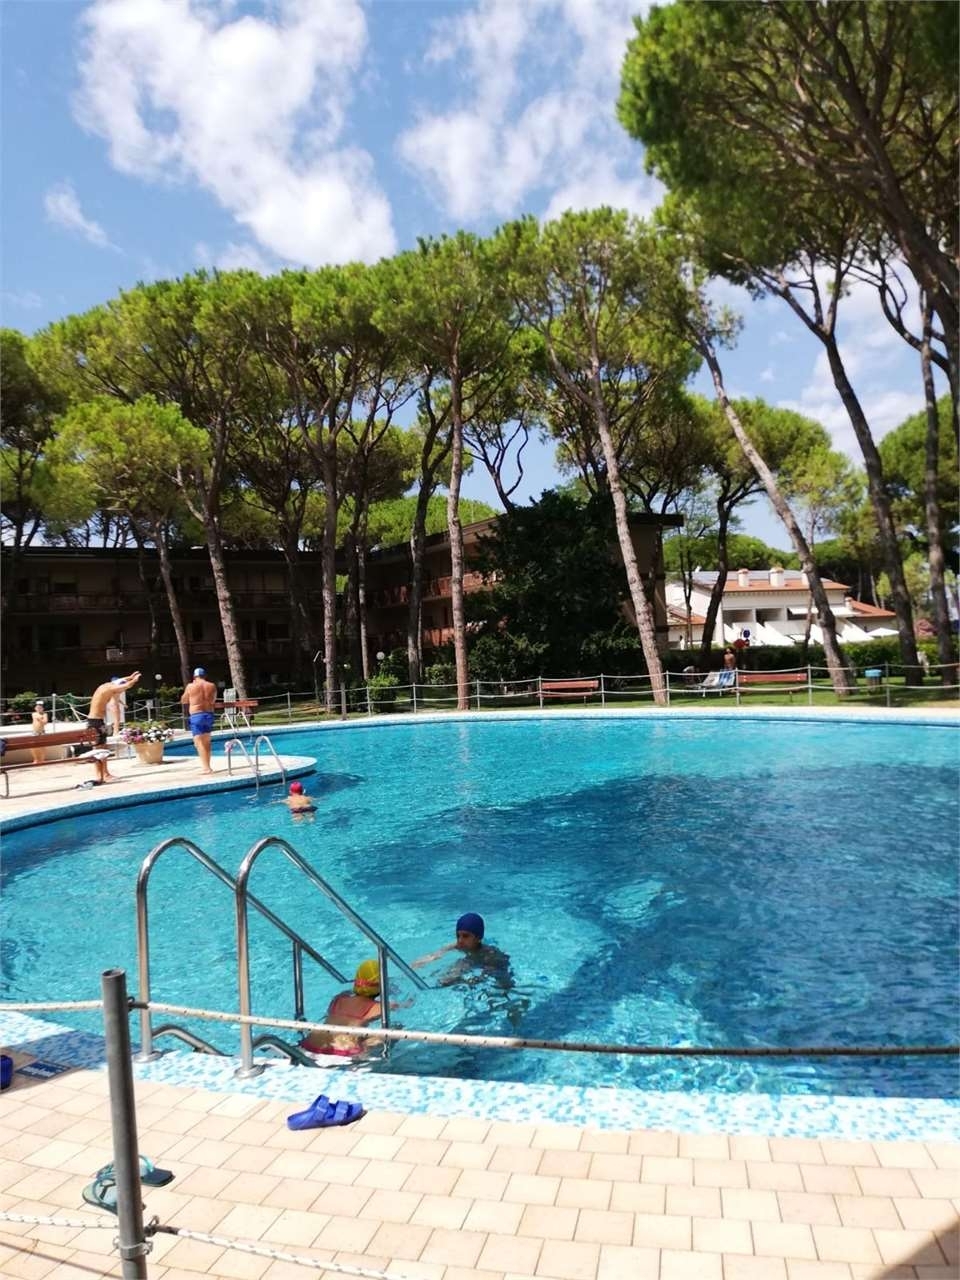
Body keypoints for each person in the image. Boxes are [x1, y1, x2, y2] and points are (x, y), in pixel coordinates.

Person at [300, 959, 388, 1058]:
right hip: (343, 1051)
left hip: (310, 1045)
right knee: (392, 1030)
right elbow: (399, 1006)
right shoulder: (378, 1007)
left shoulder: (340, 998)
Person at [413, 912, 512, 988]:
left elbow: (489, 976)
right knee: (448, 974)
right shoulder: (460, 945)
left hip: (494, 969)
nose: (460, 940)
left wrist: (465, 981)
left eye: (465, 936)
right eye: (458, 935)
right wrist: (417, 964)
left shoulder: (490, 955)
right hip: (472, 961)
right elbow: (436, 954)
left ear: (478, 938)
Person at [86, 672, 141, 782]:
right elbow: (127, 685)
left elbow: (120, 681)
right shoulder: (110, 689)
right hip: (95, 722)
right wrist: (134, 680)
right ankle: (102, 775)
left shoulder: (105, 685)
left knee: (102, 749)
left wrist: (130, 677)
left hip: (96, 721)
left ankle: (104, 774)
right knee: (98, 750)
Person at [180, 667, 217, 774]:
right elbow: (213, 700)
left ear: (194, 677)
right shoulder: (211, 685)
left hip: (197, 715)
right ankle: (208, 766)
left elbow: (183, 700)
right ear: (205, 676)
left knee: (199, 742)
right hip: (209, 714)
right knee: (207, 741)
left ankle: (206, 768)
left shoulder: (191, 686)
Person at [30, 700, 48, 764]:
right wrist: (41, 719)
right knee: (33, 746)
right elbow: (37, 718)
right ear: (35, 708)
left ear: (43, 708)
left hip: (42, 732)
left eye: (40, 707)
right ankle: (36, 759)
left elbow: (45, 722)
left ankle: (42, 760)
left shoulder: (45, 714)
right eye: (38, 707)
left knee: (43, 746)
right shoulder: (34, 714)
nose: (39, 708)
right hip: (35, 732)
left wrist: (40, 719)